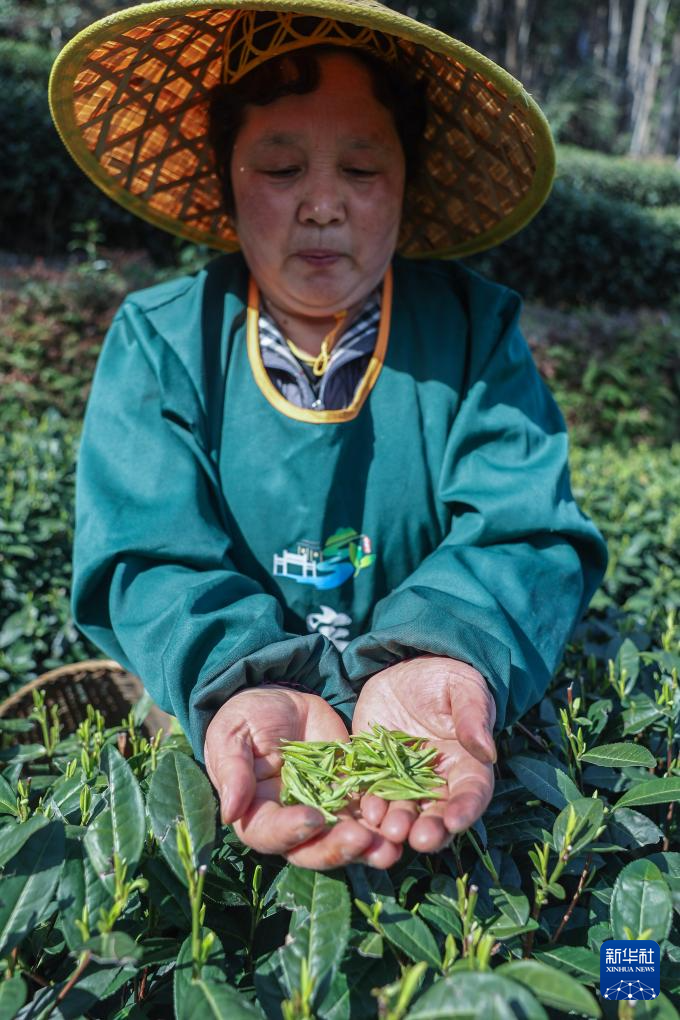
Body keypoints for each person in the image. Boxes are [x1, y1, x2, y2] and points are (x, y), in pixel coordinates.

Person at [50, 1, 608, 871]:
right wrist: (243, 678)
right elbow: (145, 554)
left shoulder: (471, 333)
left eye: (361, 168)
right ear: (227, 178)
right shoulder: (162, 341)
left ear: (406, 182)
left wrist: (441, 657)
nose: (321, 205)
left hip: (435, 728)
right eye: (279, 166)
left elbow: (524, 530)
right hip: (234, 724)